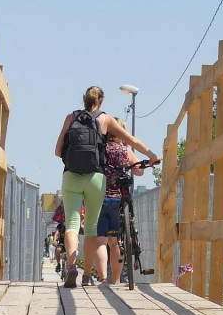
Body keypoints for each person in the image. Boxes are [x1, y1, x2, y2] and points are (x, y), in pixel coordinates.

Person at [54, 85, 158, 288]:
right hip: (95, 178)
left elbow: (58, 151)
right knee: (91, 227)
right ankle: (86, 276)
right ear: (101, 101)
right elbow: (131, 140)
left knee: (73, 224)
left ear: (84, 99)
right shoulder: (105, 119)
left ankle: (72, 266)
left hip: (71, 176)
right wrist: (152, 155)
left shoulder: (70, 117)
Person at [96, 118, 146, 285]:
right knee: (116, 242)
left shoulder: (100, 148)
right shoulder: (125, 149)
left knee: (101, 241)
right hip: (119, 200)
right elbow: (139, 172)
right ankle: (116, 280)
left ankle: (103, 278)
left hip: (101, 198)